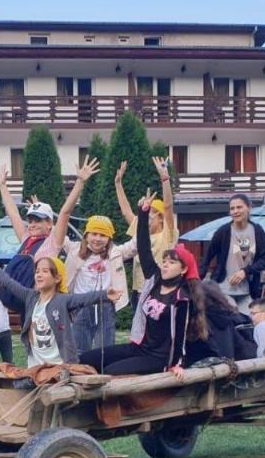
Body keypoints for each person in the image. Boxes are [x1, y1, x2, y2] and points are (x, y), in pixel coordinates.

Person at [78, 190, 208, 376]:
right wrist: (143, 212)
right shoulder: (155, 280)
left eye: (172, 262)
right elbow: (144, 248)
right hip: (139, 347)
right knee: (87, 359)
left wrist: (176, 364)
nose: (165, 265)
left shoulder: (181, 297)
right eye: (164, 261)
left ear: (184, 269)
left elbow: (178, 335)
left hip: (159, 358)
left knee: (109, 372)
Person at [0, 243, 121, 367]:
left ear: (56, 278)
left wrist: (105, 294)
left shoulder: (63, 300)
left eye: (45, 271)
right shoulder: (30, 297)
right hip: (35, 367)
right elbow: (7, 281)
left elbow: (84, 298)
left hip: (59, 367)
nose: (39, 274)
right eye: (37, 271)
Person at [49, 155, 133, 353]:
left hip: (106, 306)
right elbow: (59, 225)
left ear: (110, 238)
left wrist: (119, 186)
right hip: (80, 306)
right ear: (86, 235)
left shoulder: (116, 253)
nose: (97, 239)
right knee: (80, 352)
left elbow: (139, 237)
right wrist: (80, 182)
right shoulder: (74, 250)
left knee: (105, 352)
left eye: (103, 235)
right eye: (93, 234)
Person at [0, 164, 60, 312]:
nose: (32, 225)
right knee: (27, 336)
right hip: (24, 301)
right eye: (30, 221)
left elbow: (64, 215)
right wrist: (2, 186)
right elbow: (13, 213)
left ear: (49, 223)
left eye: (38, 221)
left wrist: (80, 182)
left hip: (40, 303)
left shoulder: (52, 243)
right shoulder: (26, 238)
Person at [115, 156, 177, 310]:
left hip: (159, 288)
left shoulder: (167, 235)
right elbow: (126, 211)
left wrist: (165, 180)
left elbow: (168, 207)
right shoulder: (141, 231)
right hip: (139, 291)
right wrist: (118, 184)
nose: (148, 215)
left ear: (161, 218)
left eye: (153, 213)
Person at [200, 192, 265, 314]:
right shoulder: (223, 232)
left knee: (248, 322)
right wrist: (195, 281)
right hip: (223, 289)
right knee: (232, 319)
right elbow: (207, 258)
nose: (235, 211)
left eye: (239, 207)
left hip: (247, 290)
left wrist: (245, 271)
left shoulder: (257, 231)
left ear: (249, 208)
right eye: (232, 208)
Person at [187, 280, 256, 363]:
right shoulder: (228, 319)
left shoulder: (198, 321)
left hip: (205, 368)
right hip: (228, 366)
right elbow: (242, 349)